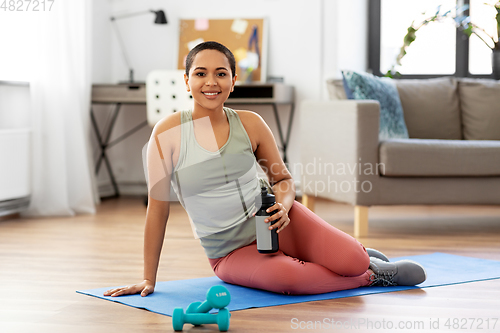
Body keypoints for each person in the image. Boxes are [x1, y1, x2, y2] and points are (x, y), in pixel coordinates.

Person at [104, 41, 426, 297]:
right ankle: (372, 276)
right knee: (289, 279)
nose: (211, 82)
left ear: (233, 80)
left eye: (221, 73)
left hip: (276, 223)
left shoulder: (251, 124)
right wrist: (149, 278)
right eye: (200, 74)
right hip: (229, 252)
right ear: (187, 81)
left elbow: (283, 180)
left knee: (350, 259)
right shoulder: (167, 133)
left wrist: (284, 208)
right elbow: (157, 211)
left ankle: (357, 259)